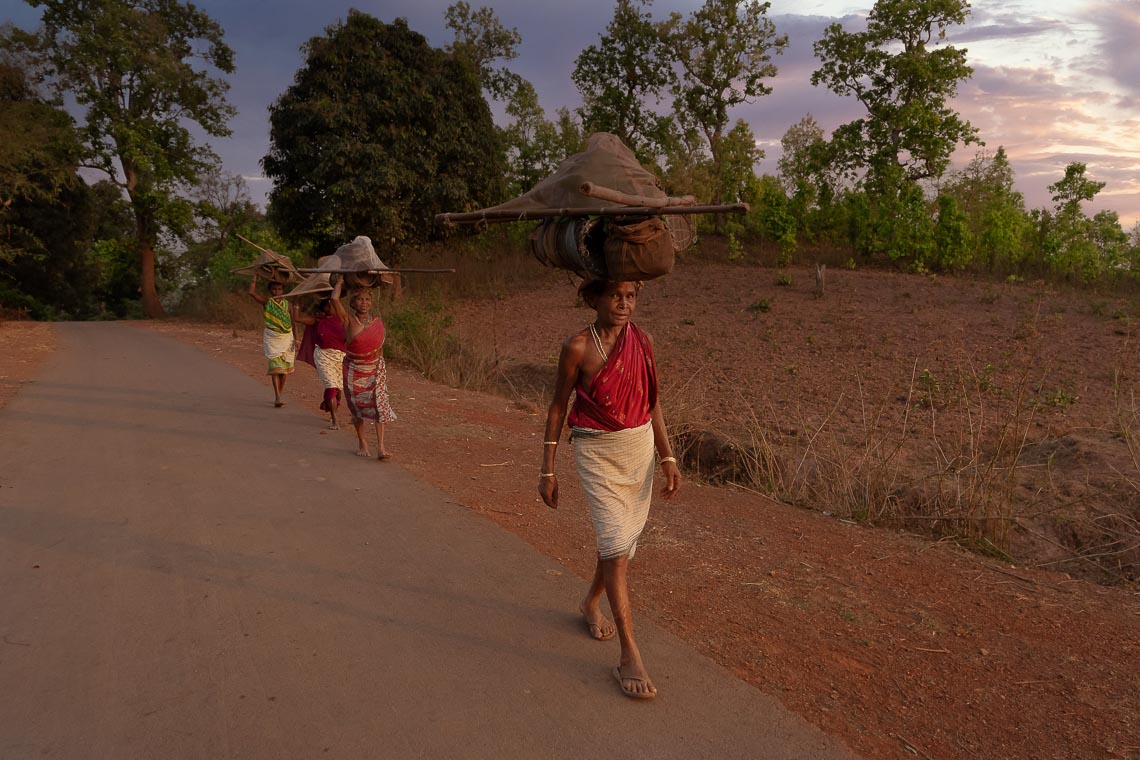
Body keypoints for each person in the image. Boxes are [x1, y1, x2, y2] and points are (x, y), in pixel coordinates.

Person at [539, 278, 681, 700]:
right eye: (615, 296)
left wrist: (668, 456)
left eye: (631, 296)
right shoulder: (577, 347)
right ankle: (629, 654)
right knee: (616, 545)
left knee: (621, 543)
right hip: (596, 450)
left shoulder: (643, 340)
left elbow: (652, 400)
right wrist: (547, 468)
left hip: (637, 449)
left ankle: (589, 603)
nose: (624, 304)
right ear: (593, 299)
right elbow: (558, 405)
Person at [330, 279, 395, 459]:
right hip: (354, 370)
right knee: (357, 408)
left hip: (374, 369)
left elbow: (378, 347)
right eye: (360, 300)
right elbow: (334, 299)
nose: (364, 303)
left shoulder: (376, 322)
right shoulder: (347, 320)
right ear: (352, 303)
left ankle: (381, 447)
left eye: (367, 299)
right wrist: (341, 282)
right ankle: (362, 442)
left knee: (379, 405)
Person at [294, 297, 347, 429]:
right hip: (323, 356)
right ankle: (335, 420)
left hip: (340, 357)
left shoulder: (344, 320)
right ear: (322, 307)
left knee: (338, 390)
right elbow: (297, 319)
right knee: (331, 386)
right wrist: (296, 305)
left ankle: (333, 410)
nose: (330, 308)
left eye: (333, 306)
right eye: (327, 306)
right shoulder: (318, 320)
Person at [248, 273, 295, 407]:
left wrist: (296, 339)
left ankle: (279, 395)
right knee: (275, 368)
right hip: (272, 338)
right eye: (274, 289)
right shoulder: (267, 302)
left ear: (283, 291)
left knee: (284, 370)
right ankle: (277, 397)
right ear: (270, 291)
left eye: (279, 289)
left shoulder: (288, 305)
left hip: (287, 338)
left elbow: (293, 323)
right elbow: (251, 292)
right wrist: (254, 279)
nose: (277, 292)